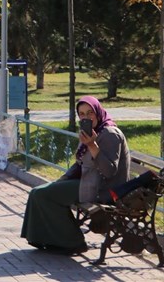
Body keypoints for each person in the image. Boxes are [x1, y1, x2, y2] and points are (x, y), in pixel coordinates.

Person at [21, 96, 130, 255]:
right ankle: (42, 238)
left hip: (103, 189)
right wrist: (62, 180)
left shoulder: (109, 133)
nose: (86, 117)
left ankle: (74, 242)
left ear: (98, 112)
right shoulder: (91, 132)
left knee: (44, 196)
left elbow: (109, 171)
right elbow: (80, 163)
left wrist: (92, 145)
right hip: (88, 182)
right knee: (37, 191)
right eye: (82, 114)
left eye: (90, 113)